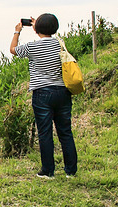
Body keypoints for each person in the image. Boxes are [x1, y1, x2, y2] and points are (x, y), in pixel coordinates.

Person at [10, 13, 78, 178]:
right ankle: (70, 170)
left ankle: (48, 171)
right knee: (65, 132)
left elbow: (13, 50)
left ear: (36, 29)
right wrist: (39, 26)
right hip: (62, 91)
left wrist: (17, 31)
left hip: (42, 93)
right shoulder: (60, 44)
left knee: (45, 133)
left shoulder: (32, 47)